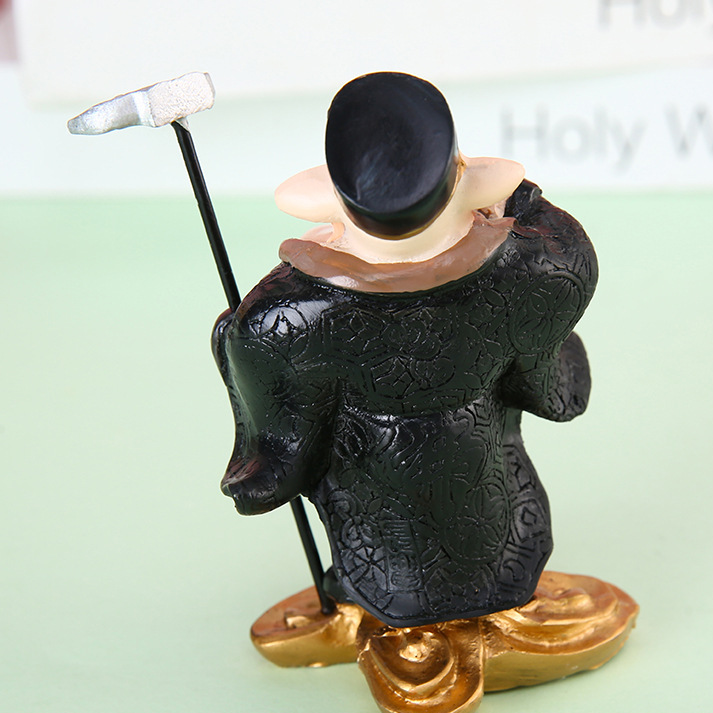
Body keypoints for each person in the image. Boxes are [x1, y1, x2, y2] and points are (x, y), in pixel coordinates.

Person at [213, 72, 597, 628]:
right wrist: (517, 200)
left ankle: (377, 602)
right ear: (465, 178)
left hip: (379, 508)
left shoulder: (287, 319)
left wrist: (234, 341)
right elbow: (550, 381)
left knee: (386, 552)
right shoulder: (535, 267)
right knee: (497, 525)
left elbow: (284, 448)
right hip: (486, 480)